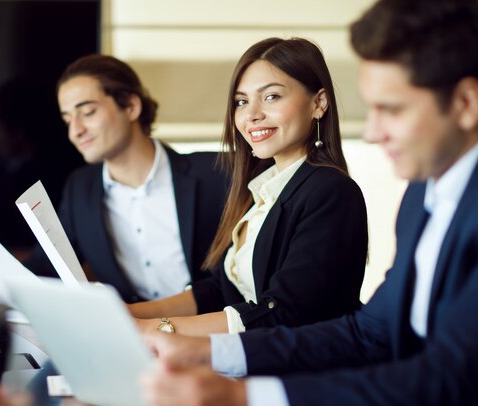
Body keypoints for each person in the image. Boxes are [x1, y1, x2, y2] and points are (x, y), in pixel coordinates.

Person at [140, 0, 478, 406]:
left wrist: (243, 400)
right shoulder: (424, 192)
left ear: (465, 104)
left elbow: (452, 380)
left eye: (392, 109)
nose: (371, 133)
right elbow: (370, 333)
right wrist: (209, 353)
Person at [130, 37, 368, 336]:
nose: (251, 114)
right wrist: (125, 314)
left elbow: (283, 312)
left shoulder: (330, 191)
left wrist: (158, 329)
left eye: (271, 97)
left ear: (318, 103)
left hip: (302, 375)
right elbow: (220, 291)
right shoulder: (262, 191)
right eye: (242, 101)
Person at [26, 55, 228, 303]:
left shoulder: (217, 172)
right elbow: (45, 268)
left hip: (213, 332)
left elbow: (238, 281)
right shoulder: (80, 188)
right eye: (67, 119)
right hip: (131, 336)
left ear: (131, 106)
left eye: (87, 112)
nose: (75, 131)